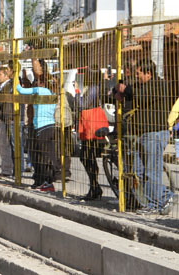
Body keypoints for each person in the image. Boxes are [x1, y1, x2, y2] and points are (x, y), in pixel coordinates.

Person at [114, 60, 174, 214]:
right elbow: (128, 95)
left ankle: (158, 202)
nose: (136, 77)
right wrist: (120, 92)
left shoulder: (159, 85)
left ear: (149, 73)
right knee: (138, 172)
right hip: (141, 135)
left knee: (151, 172)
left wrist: (126, 90)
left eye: (138, 74)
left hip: (154, 134)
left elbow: (141, 97)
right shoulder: (140, 86)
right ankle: (156, 200)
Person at [16, 77, 58, 192]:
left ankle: (48, 182)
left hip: (42, 128)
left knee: (43, 157)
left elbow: (21, 90)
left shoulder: (41, 91)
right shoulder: (52, 94)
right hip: (49, 126)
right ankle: (47, 181)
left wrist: (15, 79)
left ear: (43, 83)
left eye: (37, 82)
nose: (35, 84)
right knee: (47, 156)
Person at [75, 67, 106, 200]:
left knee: (87, 156)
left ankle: (94, 187)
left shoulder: (94, 88)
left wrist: (76, 92)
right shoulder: (93, 87)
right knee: (87, 157)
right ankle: (94, 186)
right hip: (89, 122)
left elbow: (82, 104)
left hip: (91, 124)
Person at [0, 63, 14, 177]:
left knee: (5, 146)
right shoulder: (3, 87)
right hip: (4, 118)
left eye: (0, 74)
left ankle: (7, 170)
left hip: (6, 118)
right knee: (4, 146)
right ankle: (7, 169)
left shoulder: (8, 87)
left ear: (6, 76)